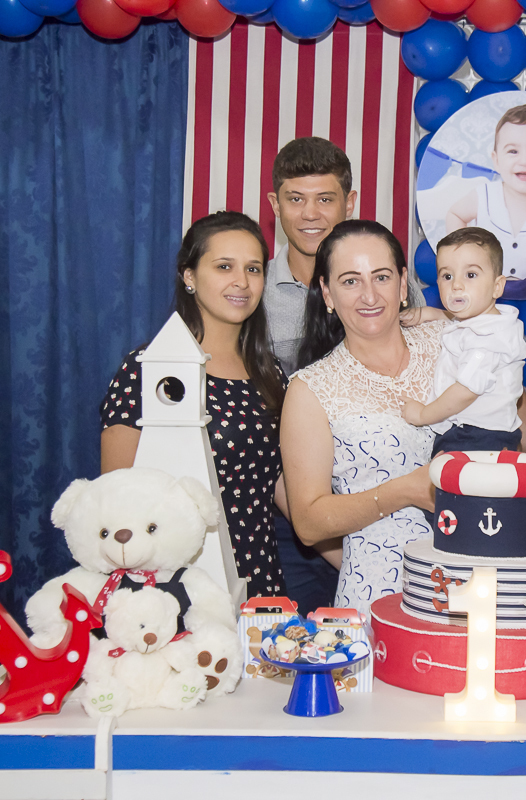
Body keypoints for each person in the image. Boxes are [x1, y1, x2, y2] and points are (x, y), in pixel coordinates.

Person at [263, 137, 424, 615]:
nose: (310, 214)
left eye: (325, 199)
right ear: (275, 204)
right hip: (298, 516)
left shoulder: (389, 283)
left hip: (402, 521)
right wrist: (347, 551)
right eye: (296, 199)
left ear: (349, 202)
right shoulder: (255, 297)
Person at [100, 211, 288, 598]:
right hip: (170, 589)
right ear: (189, 276)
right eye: (224, 266)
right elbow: (115, 501)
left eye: (253, 269)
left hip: (259, 577)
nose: (241, 281)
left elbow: (286, 488)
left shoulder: (272, 373)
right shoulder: (149, 370)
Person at [280, 220, 443, 615]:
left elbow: (525, 439)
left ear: (402, 285)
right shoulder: (311, 389)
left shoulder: (451, 343)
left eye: (381, 277)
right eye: (351, 281)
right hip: (380, 591)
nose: (369, 295)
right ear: (327, 293)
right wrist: (404, 491)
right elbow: (309, 522)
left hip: (480, 579)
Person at [400, 227, 526, 457]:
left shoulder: (487, 338)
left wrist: (422, 414)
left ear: (497, 286)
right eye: (447, 276)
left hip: (478, 435)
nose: (456, 285)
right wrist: (430, 313)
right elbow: (458, 320)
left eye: (470, 275)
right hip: (476, 432)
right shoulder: (485, 322)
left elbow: (466, 390)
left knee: (447, 476)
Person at [446, 105, 526, 295]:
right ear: (496, 160)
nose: (525, 161)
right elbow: (455, 214)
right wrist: (462, 252)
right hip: (486, 292)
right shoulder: (484, 196)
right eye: (513, 151)